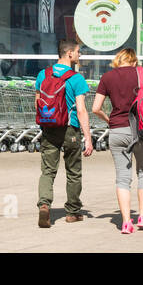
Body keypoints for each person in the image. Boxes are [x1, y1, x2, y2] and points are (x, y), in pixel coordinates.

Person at [91, 47, 143, 234]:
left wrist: (109, 120)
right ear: (134, 61)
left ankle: (126, 222)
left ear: (118, 61)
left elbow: (96, 108)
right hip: (141, 130)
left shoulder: (107, 77)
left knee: (122, 178)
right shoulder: (142, 74)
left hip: (118, 130)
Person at [35, 39, 94, 229]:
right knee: (74, 172)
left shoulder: (43, 74)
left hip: (49, 128)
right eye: (78, 52)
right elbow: (82, 110)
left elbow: (37, 102)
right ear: (69, 54)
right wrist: (88, 138)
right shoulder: (76, 79)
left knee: (48, 171)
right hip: (71, 129)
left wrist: (44, 125)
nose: (79, 56)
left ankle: (44, 204)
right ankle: (73, 212)